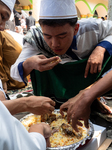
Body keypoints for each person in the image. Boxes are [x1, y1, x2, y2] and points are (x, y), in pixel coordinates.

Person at [11, 0, 112, 108]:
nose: (55, 44)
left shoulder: (93, 28)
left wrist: (102, 47)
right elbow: (14, 73)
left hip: (92, 88)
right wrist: (29, 64)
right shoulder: (36, 38)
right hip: (56, 96)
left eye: (62, 36)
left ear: (76, 29)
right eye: (48, 36)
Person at [0, 0, 54, 149]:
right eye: (48, 36)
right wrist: (26, 104)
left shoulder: (92, 31)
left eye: (5, 19)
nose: (2, 27)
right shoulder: (33, 39)